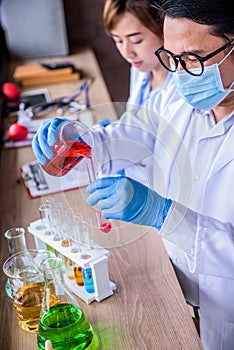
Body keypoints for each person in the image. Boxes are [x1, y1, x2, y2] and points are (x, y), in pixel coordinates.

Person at [32, 0, 234, 348]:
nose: (180, 74)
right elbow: (136, 132)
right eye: (171, 59)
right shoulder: (180, 98)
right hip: (174, 285)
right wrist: (84, 139)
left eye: (192, 59)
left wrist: (163, 214)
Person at [102, 0, 173, 185]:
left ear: (164, 29)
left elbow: (146, 137)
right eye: (118, 40)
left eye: (136, 40)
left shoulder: (179, 87)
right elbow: (136, 125)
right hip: (134, 174)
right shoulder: (141, 70)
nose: (127, 52)